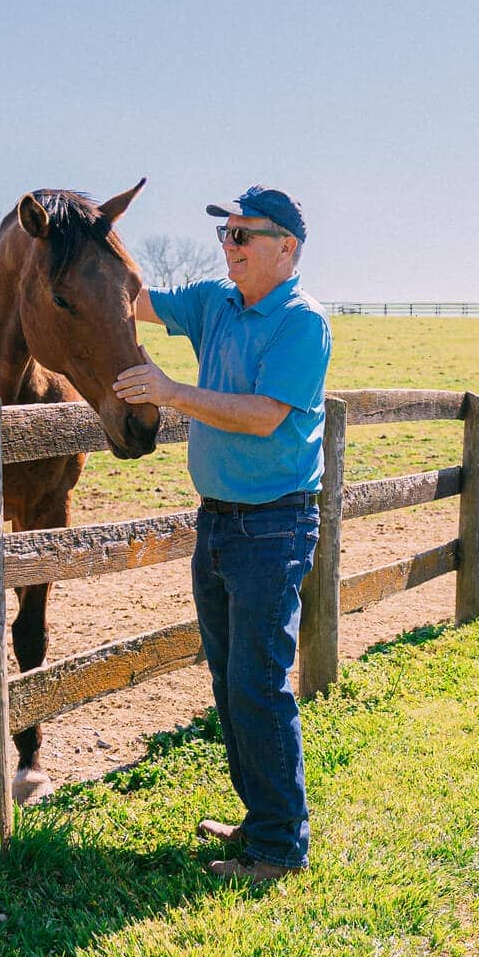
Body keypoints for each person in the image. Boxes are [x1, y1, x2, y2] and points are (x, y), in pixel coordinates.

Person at [115, 186, 331, 883]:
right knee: (229, 679)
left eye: (244, 236)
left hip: (274, 524)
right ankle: (261, 819)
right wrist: (88, 240)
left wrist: (171, 391)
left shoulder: (301, 323)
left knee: (257, 684)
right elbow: (136, 299)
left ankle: (278, 848)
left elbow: (266, 415)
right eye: (225, 236)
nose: (229, 247)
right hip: (218, 521)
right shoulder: (214, 302)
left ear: (286, 248)